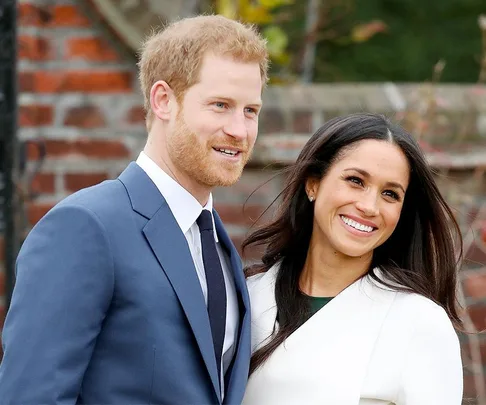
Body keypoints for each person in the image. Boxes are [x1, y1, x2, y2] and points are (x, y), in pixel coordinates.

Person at [0, 15, 268, 404]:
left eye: (250, 110)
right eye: (220, 105)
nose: (240, 130)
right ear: (163, 101)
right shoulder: (85, 227)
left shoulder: (219, 247)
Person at [241, 113, 463, 405]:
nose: (369, 206)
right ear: (313, 184)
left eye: (390, 194)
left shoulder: (419, 323)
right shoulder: (246, 298)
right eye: (355, 181)